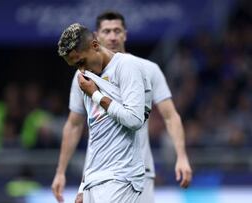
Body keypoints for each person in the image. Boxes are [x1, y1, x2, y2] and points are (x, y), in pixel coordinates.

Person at [52, 11, 192, 203]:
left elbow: (165, 116)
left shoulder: (139, 68)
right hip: (98, 177)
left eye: (116, 30)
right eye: (106, 31)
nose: (112, 36)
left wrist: (181, 156)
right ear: (98, 35)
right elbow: (87, 130)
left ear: (124, 34)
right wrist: (81, 182)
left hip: (131, 174)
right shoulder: (84, 78)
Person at [52, 23, 151, 203]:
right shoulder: (86, 79)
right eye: (75, 66)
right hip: (94, 179)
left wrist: (96, 95)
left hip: (121, 177)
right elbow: (97, 135)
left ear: (95, 46)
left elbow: (135, 120)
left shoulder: (126, 66)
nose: (81, 70)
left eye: (81, 62)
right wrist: (84, 185)